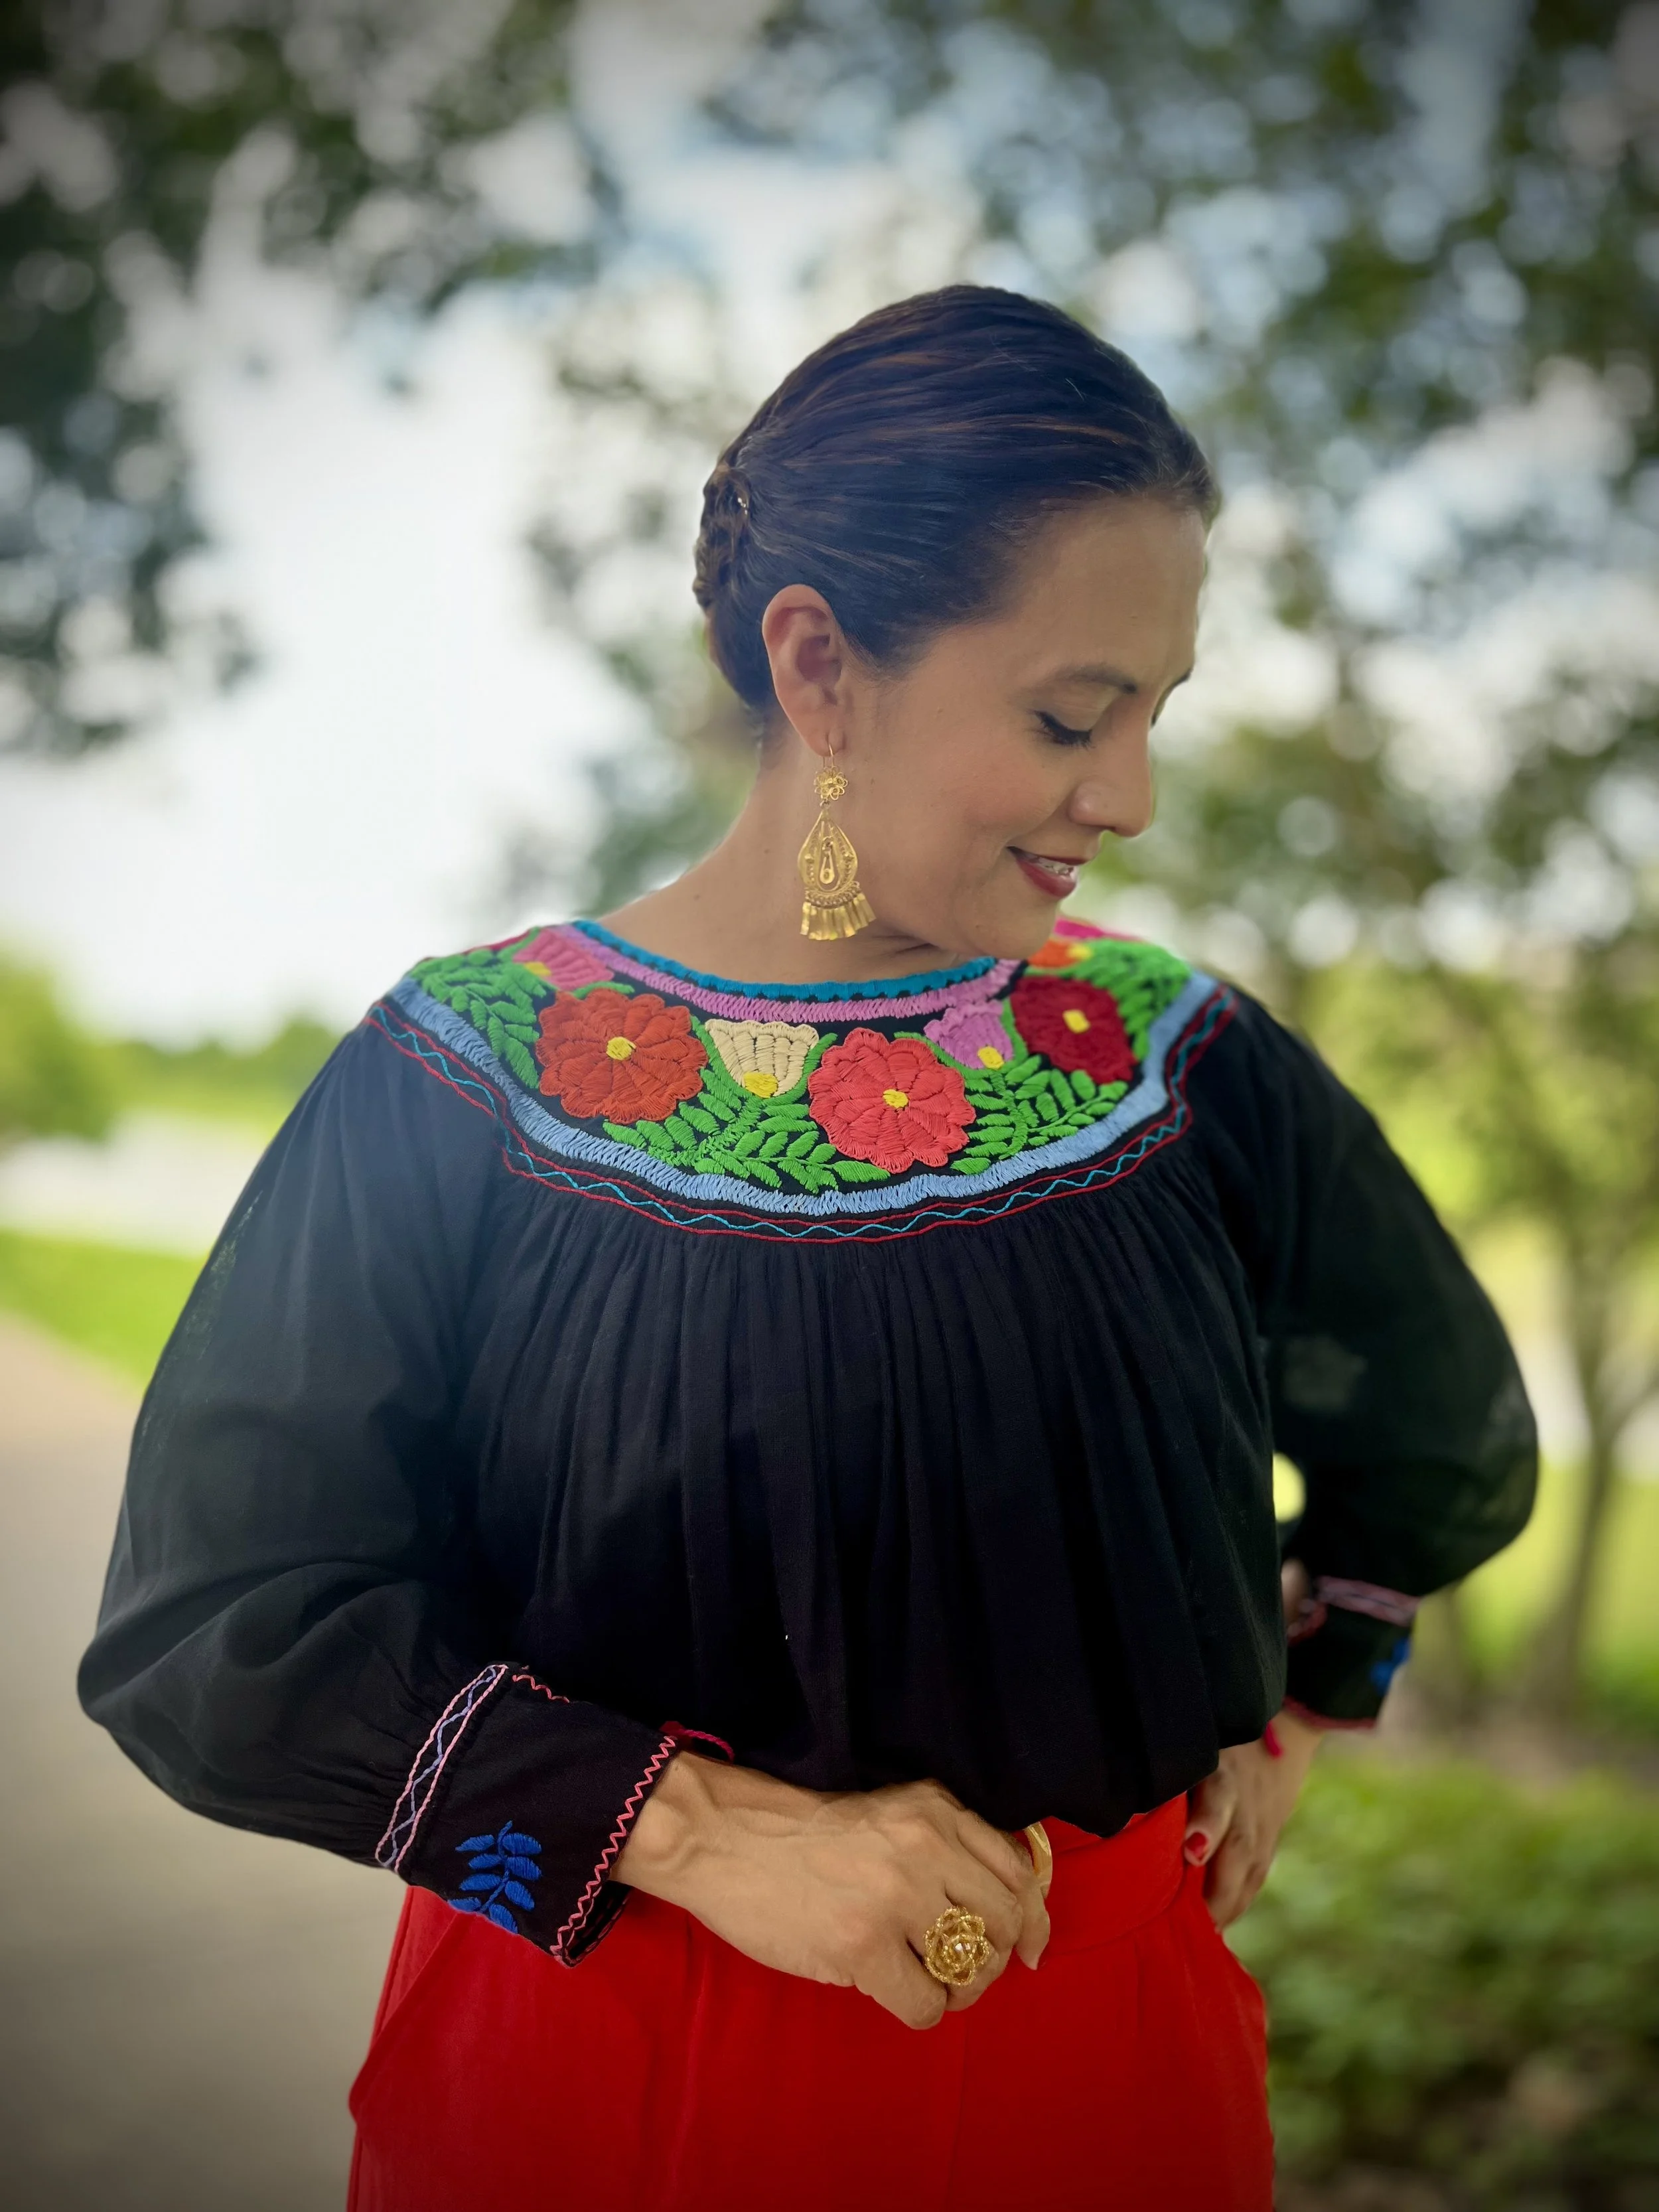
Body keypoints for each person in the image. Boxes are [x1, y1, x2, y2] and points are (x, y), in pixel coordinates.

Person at [80, 287, 1536, 2211]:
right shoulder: (465, 1083)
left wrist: (1301, 1696)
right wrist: (680, 1829)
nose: (1132, 798)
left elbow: (1434, 1425)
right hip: (594, 2079)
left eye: (1153, 715)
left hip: (1098, 2079)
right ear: (820, 666)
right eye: (1070, 716)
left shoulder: (1180, 1061)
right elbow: (215, 1630)